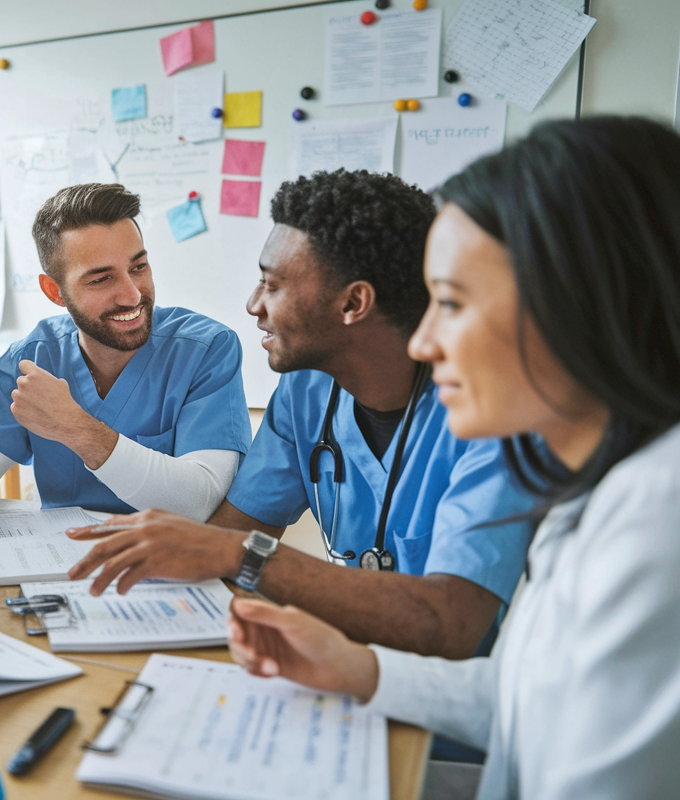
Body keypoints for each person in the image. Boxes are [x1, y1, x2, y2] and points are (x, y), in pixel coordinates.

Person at [229, 117, 680, 798]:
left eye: (453, 303)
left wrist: (248, 560)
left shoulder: (657, 519)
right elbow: (530, 695)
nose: (423, 340)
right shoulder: (592, 493)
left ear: (574, 304)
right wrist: (356, 667)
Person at [67, 170, 533, 660]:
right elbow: (233, 533)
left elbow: (451, 623)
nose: (252, 305)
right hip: (333, 661)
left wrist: (240, 554)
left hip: (448, 707)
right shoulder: (306, 389)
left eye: (272, 285)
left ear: (354, 302)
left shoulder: (491, 415)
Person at [0, 183, 251, 575]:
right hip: (62, 570)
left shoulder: (206, 350)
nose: (132, 295)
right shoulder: (35, 357)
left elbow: (199, 499)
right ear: (54, 291)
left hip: (176, 575)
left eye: (139, 267)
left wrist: (78, 429)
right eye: (101, 279)